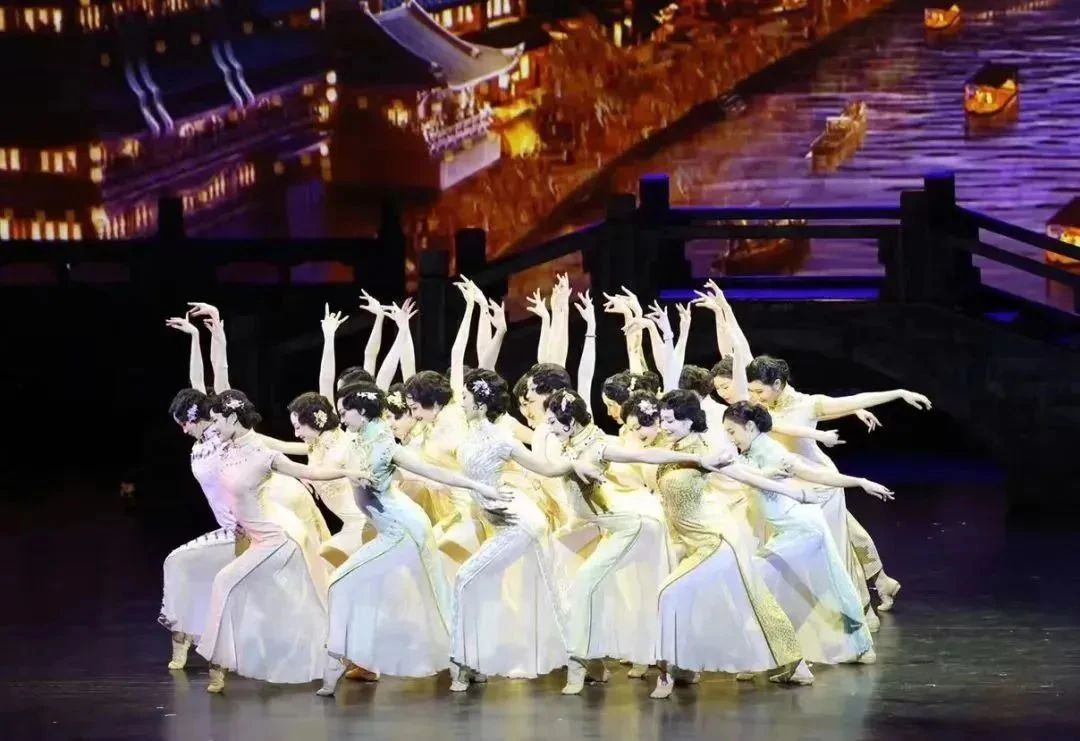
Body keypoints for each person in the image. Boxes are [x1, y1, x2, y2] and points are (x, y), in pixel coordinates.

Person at [317, 383, 504, 696]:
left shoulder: (387, 447)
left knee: (433, 595)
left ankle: (464, 664)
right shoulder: (356, 442)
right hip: (391, 529)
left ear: (361, 412)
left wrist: (480, 487)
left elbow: (433, 473)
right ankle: (354, 659)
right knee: (357, 587)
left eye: (345, 411)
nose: (341, 417)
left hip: (405, 530)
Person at [544, 389, 725, 694]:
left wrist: (696, 459)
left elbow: (644, 455)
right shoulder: (574, 445)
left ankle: (580, 664)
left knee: (589, 582)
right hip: (614, 526)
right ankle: (597, 663)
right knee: (599, 589)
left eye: (552, 421)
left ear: (570, 422)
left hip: (635, 526)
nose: (549, 427)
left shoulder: (598, 447)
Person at [194, 390, 370, 694]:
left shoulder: (262, 454)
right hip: (253, 538)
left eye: (218, 420)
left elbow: (308, 471)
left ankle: (216, 665)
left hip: (274, 541)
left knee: (224, 581)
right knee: (293, 607)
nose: (213, 426)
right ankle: (338, 655)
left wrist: (347, 472)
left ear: (233, 418)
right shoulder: (223, 448)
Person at [650, 390, 814, 699]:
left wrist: (795, 493)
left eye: (670, 421)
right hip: (692, 541)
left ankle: (666, 674)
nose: (664, 426)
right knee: (704, 601)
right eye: (662, 420)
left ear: (688, 422)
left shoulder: (706, 452)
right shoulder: (672, 449)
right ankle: (684, 667)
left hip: (716, 540)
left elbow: (745, 477)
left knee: (672, 593)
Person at [448, 369, 601, 691]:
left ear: (480, 403)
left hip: (519, 522)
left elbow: (545, 468)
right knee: (482, 585)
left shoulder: (502, 438)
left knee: (476, 580)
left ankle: (464, 665)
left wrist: (574, 464)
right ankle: (472, 662)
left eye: (464, 397)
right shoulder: (469, 433)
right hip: (502, 519)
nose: (460, 402)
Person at [724, 401, 883, 666]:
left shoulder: (774, 453)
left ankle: (849, 645)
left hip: (803, 530)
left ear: (750, 426)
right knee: (805, 587)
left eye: (732, 431)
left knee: (804, 583)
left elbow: (817, 475)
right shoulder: (749, 453)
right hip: (788, 531)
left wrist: (859, 482)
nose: (730, 438)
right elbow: (744, 474)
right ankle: (775, 649)